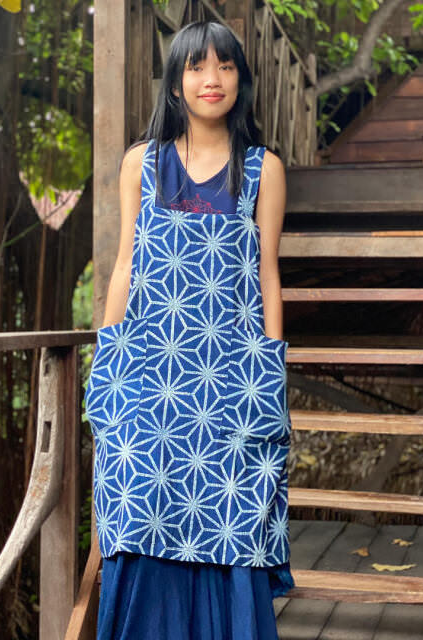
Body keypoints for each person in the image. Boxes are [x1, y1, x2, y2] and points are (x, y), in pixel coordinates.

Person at [84, 20, 293, 640]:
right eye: (197, 67)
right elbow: (125, 265)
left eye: (225, 66)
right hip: (147, 374)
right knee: (138, 508)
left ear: (240, 80)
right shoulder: (141, 163)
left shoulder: (263, 169)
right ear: (176, 83)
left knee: (235, 514)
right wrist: (108, 358)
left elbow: (268, 272)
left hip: (232, 376)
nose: (212, 79)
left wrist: (270, 367)